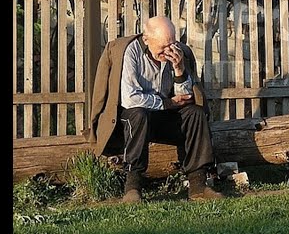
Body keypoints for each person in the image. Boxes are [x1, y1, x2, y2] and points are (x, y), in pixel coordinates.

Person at [87, 16, 224, 203]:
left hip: (164, 117)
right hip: (133, 120)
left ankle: (198, 185)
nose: (169, 50)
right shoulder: (130, 52)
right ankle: (132, 187)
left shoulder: (179, 53)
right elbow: (130, 99)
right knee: (138, 113)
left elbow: (185, 98)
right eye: (163, 46)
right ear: (146, 39)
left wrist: (179, 70)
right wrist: (167, 103)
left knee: (195, 114)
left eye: (172, 43)